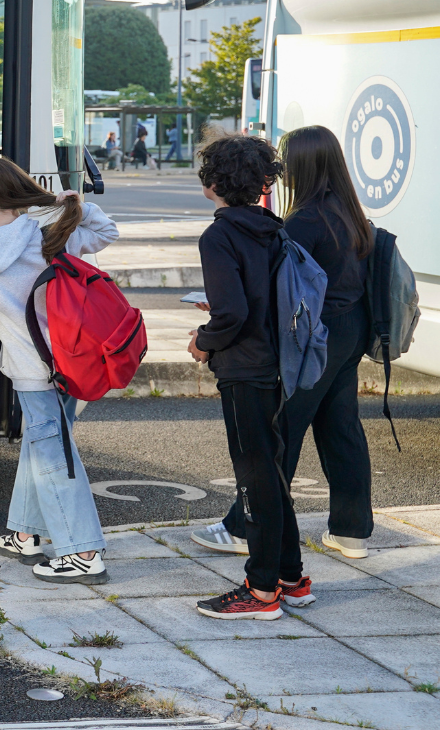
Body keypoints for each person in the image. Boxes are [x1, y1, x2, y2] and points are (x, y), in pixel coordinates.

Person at [193, 125, 375, 570]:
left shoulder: (304, 220)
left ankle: (244, 529)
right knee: (342, 427)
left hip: (312, 333)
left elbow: (275, 292)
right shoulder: (348, 211)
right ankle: (351, 530)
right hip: (352, 329)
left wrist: (217, 312)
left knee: (279, 434)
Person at [0, 157, 119, 583]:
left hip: (30, 368)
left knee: (52, 454)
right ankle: (26, 533)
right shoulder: (55, 234)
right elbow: (108, 232)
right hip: (73, 360)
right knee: (42, 443)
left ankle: (83, 553)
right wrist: (72, 203)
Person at [187, 130, 302, 620]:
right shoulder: (273, 229)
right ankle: (292, 579)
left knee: (254, 477)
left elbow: (232, 313)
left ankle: (260, 592)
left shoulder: (218, 235)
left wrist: (201, 341)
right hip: (277, 364)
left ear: (213, 181)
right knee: (271, 473)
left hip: (242, 368)